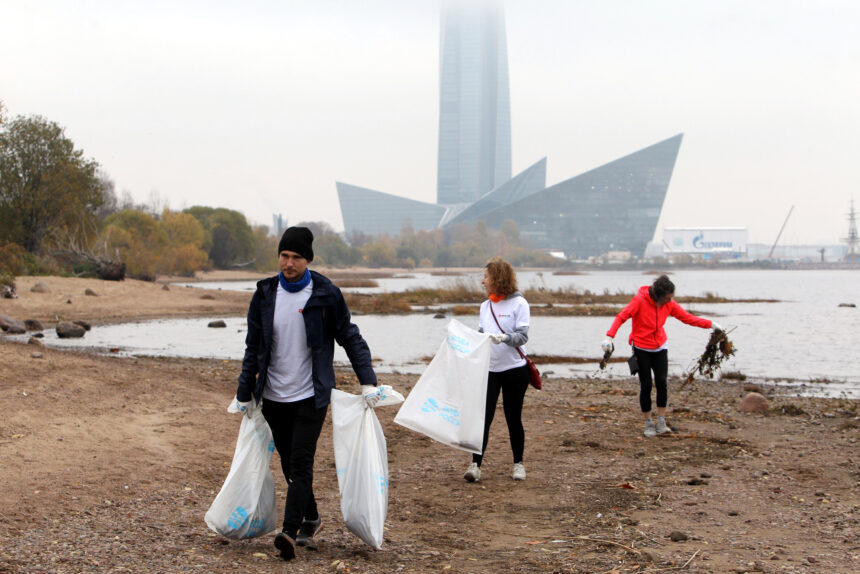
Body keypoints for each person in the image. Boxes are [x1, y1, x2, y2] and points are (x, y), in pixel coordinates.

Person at [229, 226, 380, 561]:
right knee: (288, 463)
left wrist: (367, 381)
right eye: (284, 255)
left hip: (312, 396)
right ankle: (311, 517)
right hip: (273, 396)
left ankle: (289, 530)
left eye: (296, 257)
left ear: (308, 260)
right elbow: (253, 346)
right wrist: (243, 393)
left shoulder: (326, 294)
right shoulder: (266, 294)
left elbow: (350, 337)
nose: (289, 263)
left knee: (301, 461)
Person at [601, 274, 722, 437]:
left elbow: (687, 318)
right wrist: (609, 337)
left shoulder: (669, 304)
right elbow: (621, 317)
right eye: (667, 298)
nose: (670, 301)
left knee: (662, 382)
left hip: (660, 348)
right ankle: (648, 423)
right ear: (658, 295)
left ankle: (661, 420)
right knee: (646, 385)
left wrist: (712, 325)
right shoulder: (639, 301)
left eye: (671, 298)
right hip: (641, 348)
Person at [464, 257, 532, 483]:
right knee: (484, 418)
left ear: (498, 279)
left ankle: (518, 464)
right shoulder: (485, 306)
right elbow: (481, 335)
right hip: (490, 371)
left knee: (514, 418)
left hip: (515, 370)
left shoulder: (519, 304)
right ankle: (475, 465)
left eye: (486, 277)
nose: (483, 282)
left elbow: (522, 336)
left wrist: (503, 338)